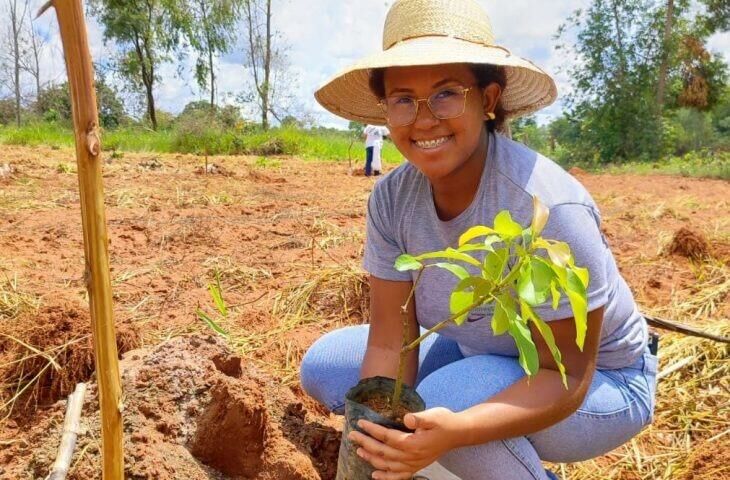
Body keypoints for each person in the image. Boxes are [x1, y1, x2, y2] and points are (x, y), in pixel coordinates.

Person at [304, 1, 657, 479]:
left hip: (602, 382)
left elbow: (569, 376)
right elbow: (392, 341)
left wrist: (458, 430)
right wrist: (372, 450)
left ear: (488, 99)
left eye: (447, 93)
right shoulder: (391, 198)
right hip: (479, 352)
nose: (423, 119)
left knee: (446, 403)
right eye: (403, 99)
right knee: (328, 367)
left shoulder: (547, 210)